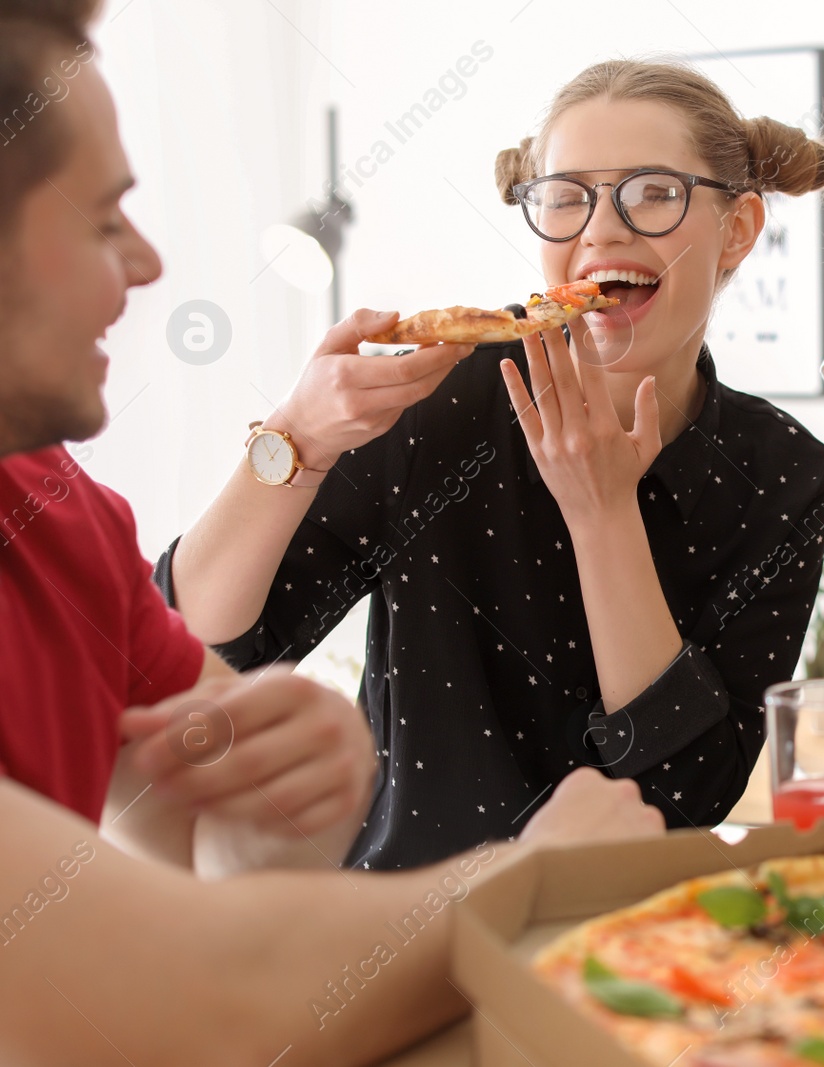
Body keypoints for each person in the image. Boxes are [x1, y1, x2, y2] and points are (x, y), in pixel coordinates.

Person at [0, 3, 664, 1062]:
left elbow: (184, 814)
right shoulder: (430, 429)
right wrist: (535, 877)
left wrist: (278, 800)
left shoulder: (64, 508)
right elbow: (202, 1001)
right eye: (103, 219)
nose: (150, 263)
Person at [158, 60, 824, 869]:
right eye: (566, 196)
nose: (601, 230)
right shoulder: (436, 394)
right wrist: (295, 441)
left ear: (739, 228)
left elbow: (687, 793)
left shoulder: (784, 474)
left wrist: (602, 512)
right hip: (404, 938)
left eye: (653, 192)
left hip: (635, 943)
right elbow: (199, 652)